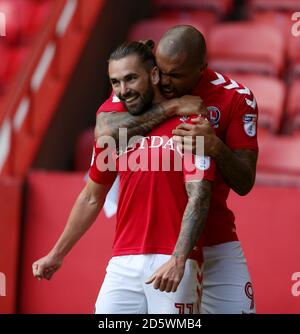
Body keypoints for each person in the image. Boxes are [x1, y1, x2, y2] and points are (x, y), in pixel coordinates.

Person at [32, 41, 215, 314]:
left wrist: (180, 259)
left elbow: (199, 195)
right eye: (115, 82)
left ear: (153, 75)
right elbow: (91, 197)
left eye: (131, 78)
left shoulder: (191, 123)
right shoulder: (116, 134)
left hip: (174, 261)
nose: (123, 90)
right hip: (123, 262)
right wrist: (56, 254)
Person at [95, 25, 258, 314]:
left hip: (216, 241)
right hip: (162, 247)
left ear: (201, 69)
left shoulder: (236, 97)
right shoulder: (143, 79)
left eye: (176, 75)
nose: (164, 81)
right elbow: (106, 130)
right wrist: (171, 107)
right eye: (162, 70)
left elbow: (245, 181)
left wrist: (216, 147)